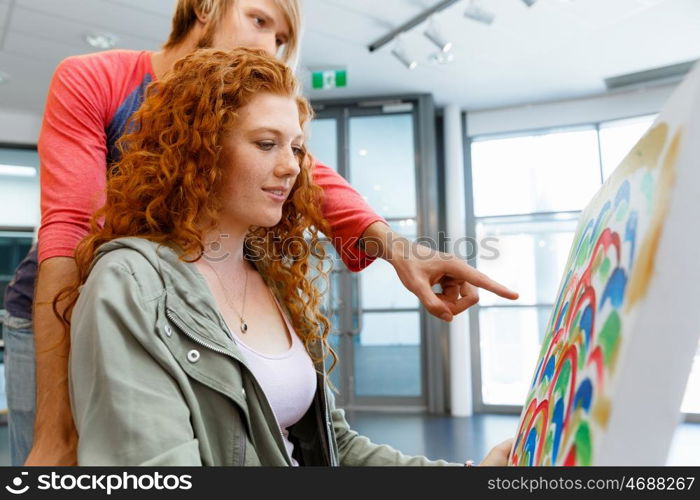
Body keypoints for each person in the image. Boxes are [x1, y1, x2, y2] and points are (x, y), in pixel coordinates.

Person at [5, 0, 517, 466]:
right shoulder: (97, 80)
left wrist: (401, 251)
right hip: (57, 303)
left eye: (280, 38)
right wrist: (55, 433)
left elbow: (317, 183)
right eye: (258, 20)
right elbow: (71, 233)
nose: (267, 44)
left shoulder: (261, 257)